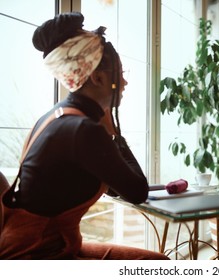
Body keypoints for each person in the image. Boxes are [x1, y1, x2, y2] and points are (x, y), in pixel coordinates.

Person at [0, 12, 169, 260]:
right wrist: (115, 134)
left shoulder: (56, 117)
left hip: (56, 245)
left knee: (154, 262)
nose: (124, 83)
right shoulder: (83, 130)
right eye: (120, 74)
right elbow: (137, 191)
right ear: (97, 77)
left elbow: (113, 187)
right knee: (157, 265)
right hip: (37, 255)